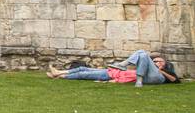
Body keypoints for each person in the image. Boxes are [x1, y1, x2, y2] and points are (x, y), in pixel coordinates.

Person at [48, 50, 180, 85]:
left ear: (165, 63)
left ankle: (61, 74)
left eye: (159, 61)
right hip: (117, 72)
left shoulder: (166, 71)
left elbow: (175, 80)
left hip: (157, 78)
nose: (157, 62)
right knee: (84, 70)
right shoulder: (144, 68)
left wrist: (161, 70)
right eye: (155, 61)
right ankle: (59, 73)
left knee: (85, 73)